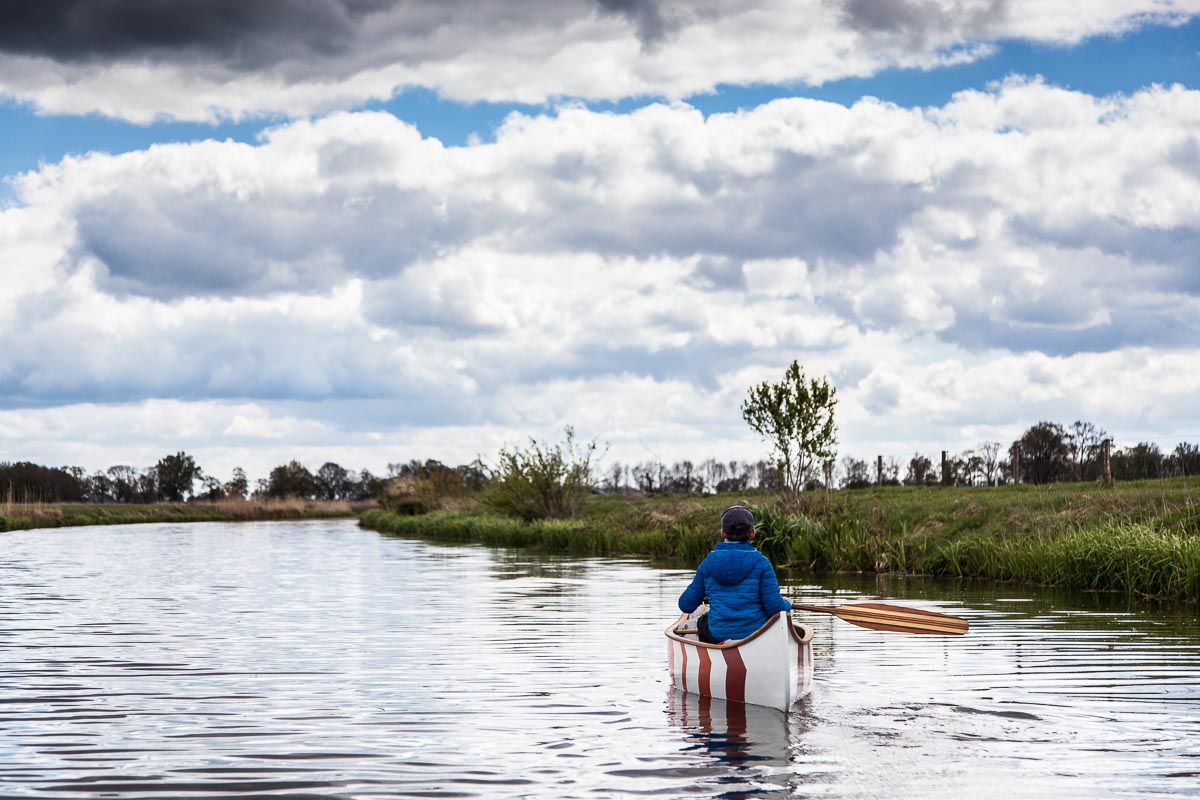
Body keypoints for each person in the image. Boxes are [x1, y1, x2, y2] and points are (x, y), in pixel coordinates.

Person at [678, 505, 792, 644]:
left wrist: (706, 592)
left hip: (718, 634)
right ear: (752, 533)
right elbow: (774, 607)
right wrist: (787, 604)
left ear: (723, 533)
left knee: (703, 621)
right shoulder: (763, 563)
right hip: (756, 633)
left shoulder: (708, 563)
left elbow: (686, 605)